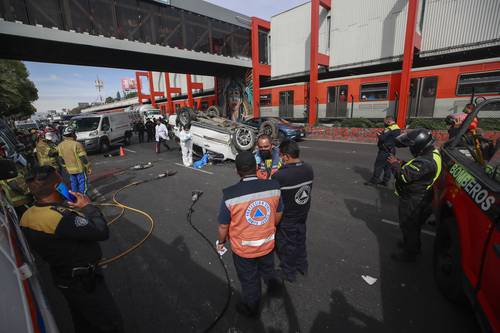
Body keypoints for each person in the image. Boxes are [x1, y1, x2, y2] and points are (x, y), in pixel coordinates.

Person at [20, 166, 123, 333]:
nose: (67, 183)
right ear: (57, 187)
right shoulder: (61, 218)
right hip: (84, 283)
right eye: (63, 181)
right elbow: (101, 231)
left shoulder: (27, 216)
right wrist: (88, 207)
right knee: (109, 323)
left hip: (63, 278)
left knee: (82, 321)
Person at [217, 151, 283, 317]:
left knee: (249, 280)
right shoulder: (273, 186)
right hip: (267, 243)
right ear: (256, 168)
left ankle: (251, 307)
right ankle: (274, 287)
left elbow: (223, 226)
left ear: (237, 171)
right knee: (268, 268)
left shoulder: (229, 194)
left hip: (244, 250)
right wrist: (269, 226)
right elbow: (279, 212)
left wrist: (221, 242)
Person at [387, 129, 442, 262]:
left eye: (412, 145)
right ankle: (410, 245)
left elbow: (404, 177)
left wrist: (395, 164)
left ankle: (410, 253)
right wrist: (403, 164)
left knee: (409, 225)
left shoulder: (425, 162)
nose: (411, 148)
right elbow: (416, 171)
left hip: (415, 199)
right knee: (414, 226)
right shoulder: (433, 153)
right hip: (424, 195)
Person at [272, 140, 314, 282]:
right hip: (303, 213)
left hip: (287, 217)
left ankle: (288, 273)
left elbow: (276, 201)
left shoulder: (280, 176)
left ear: (286, 156)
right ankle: (303, 266)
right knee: (300, 240)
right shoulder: (308, 169)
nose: (281, 159)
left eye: (281, 156)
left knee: (286, 245)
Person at [365, 116, 401, 187]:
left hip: (384, 150)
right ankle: (385, 181)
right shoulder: (397, 128)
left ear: (389, 121)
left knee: (378, 166)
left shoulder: (389, 128)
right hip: (392, 150)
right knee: (388, 167)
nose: (384, 123)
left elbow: (382, 138)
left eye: (385, 122)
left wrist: (379, 135)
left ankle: (374, 181)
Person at [57, 126, 91, 194]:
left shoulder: (60, 145)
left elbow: (61, 159)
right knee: (82, 183)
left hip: (70, 169)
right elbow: (83, 157)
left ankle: (75, 196)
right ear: (72, 134)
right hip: (79, 169)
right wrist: (88, 166)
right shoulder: (76, 144)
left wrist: (65, 166)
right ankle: (83, 197)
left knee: (74, 183)